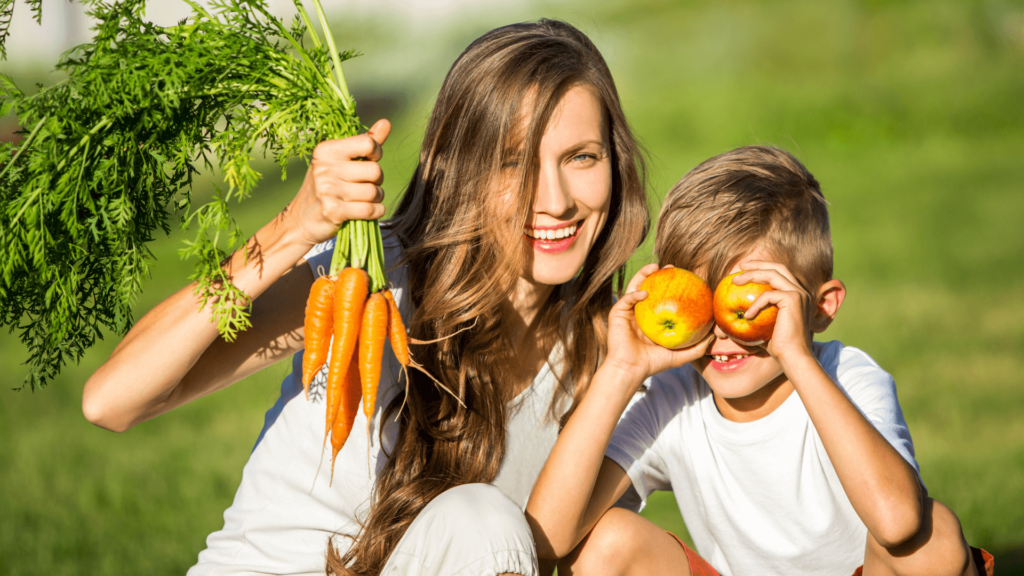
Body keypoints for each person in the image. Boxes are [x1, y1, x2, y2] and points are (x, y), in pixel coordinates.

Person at [81, 19, 650, 576]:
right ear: (458, 172)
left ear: (614, 164)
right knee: (482, 522)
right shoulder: (370, 283)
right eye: (511, 162)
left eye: (581, 157)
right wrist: (293, 230)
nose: (554, 199)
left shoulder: (609, 349)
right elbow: (114, 401)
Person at [525, 146, 994, 576]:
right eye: (707, 304)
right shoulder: (673, 402)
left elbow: (897, 523)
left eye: (755, 304)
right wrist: (621, 371)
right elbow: (551, 539)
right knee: (605, 542)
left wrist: (795, 356)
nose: (727, 331)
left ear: (821, 307)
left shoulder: (846, 377)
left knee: (932, 539)